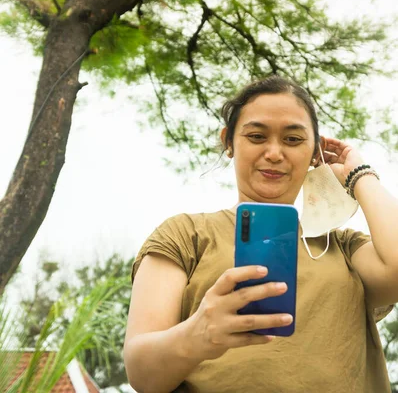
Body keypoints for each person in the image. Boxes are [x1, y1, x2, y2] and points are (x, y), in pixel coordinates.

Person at [123, 76, 398, 393]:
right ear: (229, 141)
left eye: (294, 140)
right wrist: (197, 334)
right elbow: (142, 373)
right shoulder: (184, 235)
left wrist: (359, 174)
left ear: (316, 153)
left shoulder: (343, 247)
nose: (274, 153)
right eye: (256, 136)